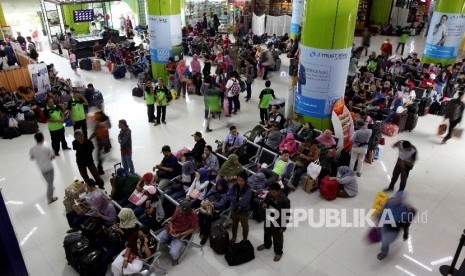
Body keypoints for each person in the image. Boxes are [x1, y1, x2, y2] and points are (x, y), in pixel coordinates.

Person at [257, 182, 290, 262]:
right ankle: (267, 244)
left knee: (277, 237)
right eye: (271, 192)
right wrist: (264, 206)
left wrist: (283, 227)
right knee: (267, 232)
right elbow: (265, 203)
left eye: (274, 192)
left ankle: (279, 252)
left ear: (279, 191)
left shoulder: (285, 200)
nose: (272, 194)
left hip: (278, 221)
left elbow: (286, 215)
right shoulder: (269, 195)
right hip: (269, 217)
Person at [157, 201, 198, 266]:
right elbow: (171, 221)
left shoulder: (194, 215)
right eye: (182, 211)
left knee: (173, 253)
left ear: (189, 210)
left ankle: (175, 259)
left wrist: (181, 234)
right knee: (157, 239)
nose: (183, 213)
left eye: (185, 213)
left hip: (180, 236)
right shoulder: (178, 210)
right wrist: (171, 229)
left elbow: (192, 229)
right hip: (170, 231)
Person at [377, 192, 415, 260]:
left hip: (394, 229)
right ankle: (384, 248)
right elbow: (382, 212)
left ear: (401, 200)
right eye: (396, 197)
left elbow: (406, 224)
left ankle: (383, 253)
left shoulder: (404, 210)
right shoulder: (389, 202)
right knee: (383, 238)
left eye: (399, 199)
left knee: (385, 240)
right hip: (385, 225)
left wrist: (405, 234)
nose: (396, 199)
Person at [29, 132, 58, 204]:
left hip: (42, 168)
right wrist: (49, 158)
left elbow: (32, 158)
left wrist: (39, 157)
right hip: (49, 167)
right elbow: (53, 156)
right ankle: (50, 198)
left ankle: (51, 187)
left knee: (48, 181)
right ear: (42, 138)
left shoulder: (32, 149)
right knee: (50, 184)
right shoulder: (47, 145)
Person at [227, 171, 252, 244]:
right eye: (238, 180)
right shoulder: (234, 186)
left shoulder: (248, 189)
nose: (239, 182)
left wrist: (234, 199)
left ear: (245, 181)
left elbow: (244, 203)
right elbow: (228, 197)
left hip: (244, 212)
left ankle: (244, 239)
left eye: (242, 181)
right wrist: (238, 199)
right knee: (234, 225)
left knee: (245, 227)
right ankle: (234, 237)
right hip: (234, 210)